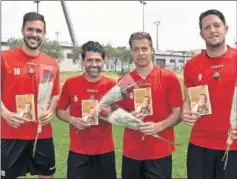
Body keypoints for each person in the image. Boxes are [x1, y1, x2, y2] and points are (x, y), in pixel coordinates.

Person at [1, 12, 60, 179]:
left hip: (41, 133)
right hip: (11, 132)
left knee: (47, 175)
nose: (34, 34)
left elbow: (55, 94)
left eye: (39, 31)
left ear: (44, 34)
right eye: (30, 29)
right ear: (22, 30)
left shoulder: (51, 63)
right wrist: (5, 113)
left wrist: (50, 110)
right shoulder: (4, 58)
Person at [117, 32, 183, 179]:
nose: (141, 53)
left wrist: (159, 126)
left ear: (151, 50)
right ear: (131, 52)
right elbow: (114, 110)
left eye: (144, 48)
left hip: (160, 153)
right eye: (136, 49)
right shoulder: (125, 81)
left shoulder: (168, 78)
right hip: (132, 153)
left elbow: (178, 112)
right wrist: (127, 118)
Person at [182, 9, 237, 179]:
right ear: (201, 34)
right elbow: (188, 99)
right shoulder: (192, 65)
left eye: (216, 25)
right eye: (207, 27)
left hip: (232, 145)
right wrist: (186, 112)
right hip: (200, 145)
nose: (212, 30)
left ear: (225, 28)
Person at [56, 41, 117, 179]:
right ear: (83, 61)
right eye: (89, 60)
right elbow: (59, 110)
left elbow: (120, 113)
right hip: (78, 151)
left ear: (103, 61)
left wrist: (108, 114)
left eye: (98, 60)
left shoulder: (112, 85)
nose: (94, 64)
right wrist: (72, 120)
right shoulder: (71, 83)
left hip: (105, 150)